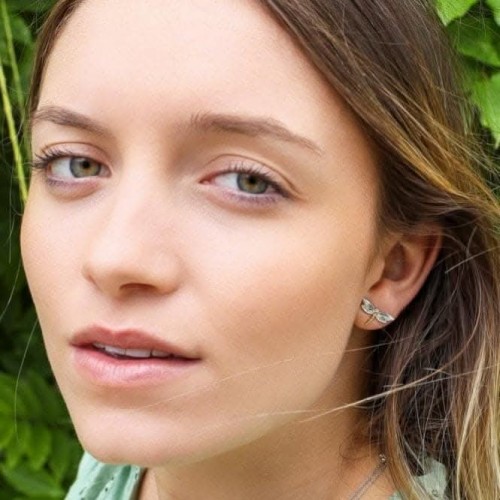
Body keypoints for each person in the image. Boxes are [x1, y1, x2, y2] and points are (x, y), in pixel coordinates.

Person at [20, 0, 499, 498]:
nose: (114, 258)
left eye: (245, 180)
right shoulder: (109, 479)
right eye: (75, 164)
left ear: (392, 268)